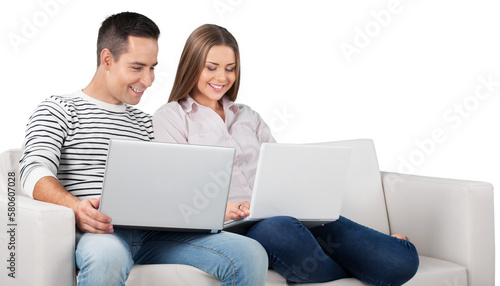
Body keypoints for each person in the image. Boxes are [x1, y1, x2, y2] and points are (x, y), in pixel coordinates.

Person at [153, 24, 420, 285]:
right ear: (191, 65)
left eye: (230, 68)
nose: (222, 78)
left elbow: (280, 169)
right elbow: (176, 193)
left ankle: (354, 257)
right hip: (237, 228)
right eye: (211, 68)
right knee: (281, 231)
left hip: (285, 215)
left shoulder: (248, 116)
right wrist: (224, 209)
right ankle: (352, 267)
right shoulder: (171, 118)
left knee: (401, 262)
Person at [19, 13, 268, 286]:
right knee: (107, 259)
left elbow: (173, 186)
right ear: (107, 60)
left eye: (152, 68)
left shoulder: (147, 123)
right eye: (137, 68)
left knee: (250, 254)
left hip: (155, 233)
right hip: (102, 233)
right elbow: (32, 170)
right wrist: (76, 208)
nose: (148, 81)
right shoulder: (59, 109)